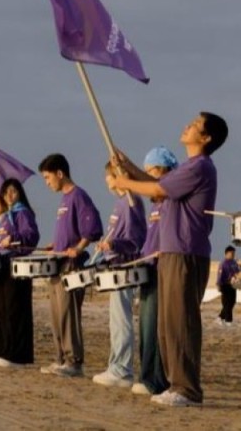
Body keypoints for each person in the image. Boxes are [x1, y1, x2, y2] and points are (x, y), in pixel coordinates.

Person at [112, 111, 228, 408]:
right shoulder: (189, 166)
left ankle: (187, 389)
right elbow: (159, 188)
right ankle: (175, 383)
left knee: (181, 322)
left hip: (186, 252)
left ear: (206, 138)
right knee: (168, 323)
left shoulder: (200, 166)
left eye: (195, 125)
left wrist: (125, 181)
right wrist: (129, 167)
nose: (188, 125)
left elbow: (158, 188)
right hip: (172, 251)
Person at [38, 153, 103, 378]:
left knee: (68, 314)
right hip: (58, 265)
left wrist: (79, 247)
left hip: (71, 266)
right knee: (57, 315)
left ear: (60, 173)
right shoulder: (64, 199)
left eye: (48, 178)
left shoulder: (78, 196)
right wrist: (55, 245)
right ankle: (61, 358)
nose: (47, 183)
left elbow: (92, 228)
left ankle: (74, 361)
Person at [93, 163, 147, 389]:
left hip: (125, 268)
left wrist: (114, 244)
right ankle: (115, 365)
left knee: (122, 319)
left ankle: (123, 369)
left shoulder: (132, 202)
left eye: (111, 181)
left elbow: (136, 241)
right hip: (115, 266)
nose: (109, 186)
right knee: (115, 320)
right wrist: (106, 245)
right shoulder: (120, 203)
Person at [131, 146, 177, 397]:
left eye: (151, 171)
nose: (148, 177)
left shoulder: (171, 201)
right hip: (148, 268)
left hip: (162, 270)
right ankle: (146, 375)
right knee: (146, 326)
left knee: (156, 326)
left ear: (164, 171)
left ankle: (156, 380)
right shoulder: (155, 206)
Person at [0, 180, 41, 368]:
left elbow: (31, 236)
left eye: (13, 191)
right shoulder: (5, 216)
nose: (9, 195)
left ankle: (17, 355)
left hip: (16, 266)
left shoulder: (22, 212)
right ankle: (3, 348)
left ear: (19, 193)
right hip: (2, 264)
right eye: (6, 192)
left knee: (15, 309)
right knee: (3, 311)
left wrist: (14, 238)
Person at [216, 246, 240, 326]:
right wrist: (218, 285)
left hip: (233, 285)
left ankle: (220, 317)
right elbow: (219, 275)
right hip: (225, 285)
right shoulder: (223, 263)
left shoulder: (234, 262)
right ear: (226, 253)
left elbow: (237, 272)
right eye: (232, 253)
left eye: (234, 253)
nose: (233, 255)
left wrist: (239, 282)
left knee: (232, 302)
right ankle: (228, 321)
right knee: (227, 303)